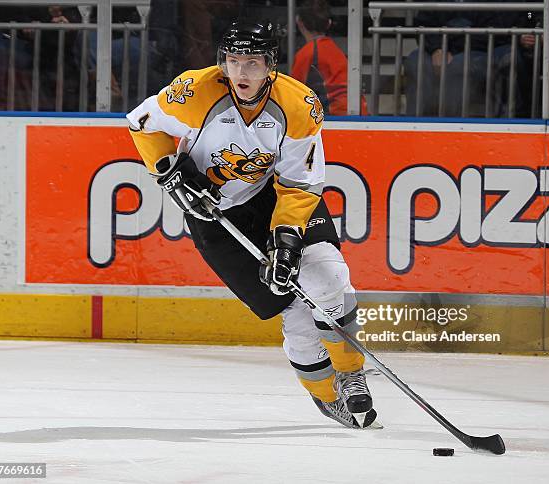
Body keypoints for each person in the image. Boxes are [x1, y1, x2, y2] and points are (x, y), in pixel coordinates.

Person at [126, 20, 379, 429]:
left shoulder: (298, 105)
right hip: (215, 219)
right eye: (233, 61)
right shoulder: (194, 92)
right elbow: (141, 122)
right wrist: (168, 169)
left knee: (328, 276)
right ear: (222, 63)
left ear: (270, 65)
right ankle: (326, 395)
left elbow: (299, 183)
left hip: (274, 198)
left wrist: (287, 240)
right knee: (294, 308)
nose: (241, 73)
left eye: (253, 62)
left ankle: (351, 374)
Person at [290, 0, 368, 115]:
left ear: (299, 22)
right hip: (359, 111)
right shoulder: (335, 49)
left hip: (336, 115)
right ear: (329, 23)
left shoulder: (306, 53)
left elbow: (292, 92)